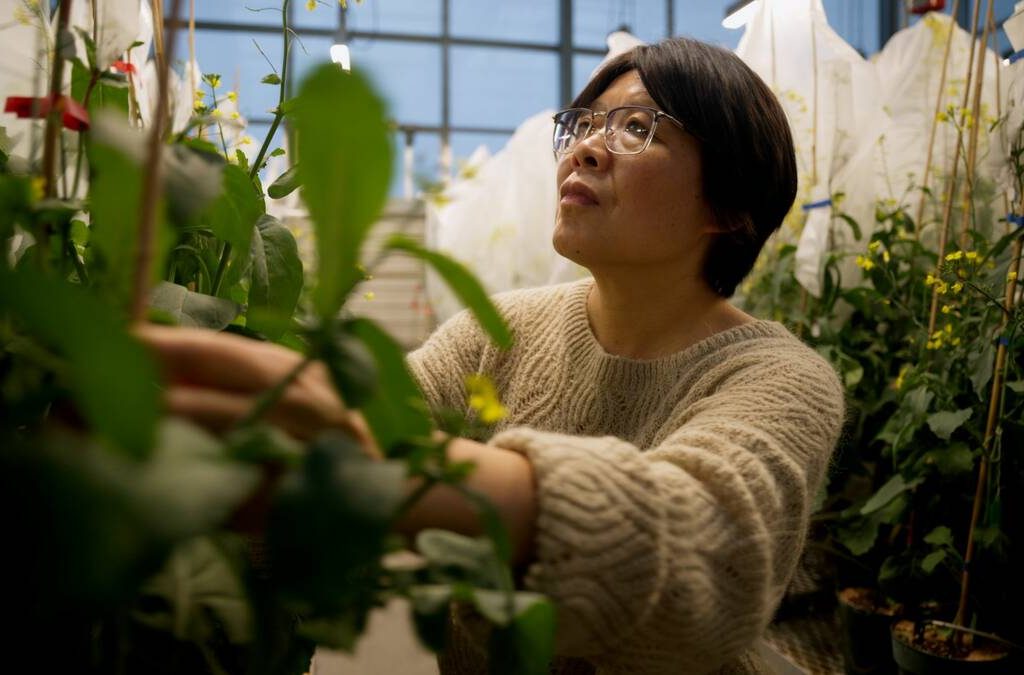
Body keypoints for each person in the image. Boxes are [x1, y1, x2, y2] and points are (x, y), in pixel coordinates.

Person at [141, 37, 845, 675]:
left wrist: (388, 468)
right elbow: (362, 430)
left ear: (727, 206)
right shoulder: (502, 329)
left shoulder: (781, 380)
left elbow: (702, 556)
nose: (587, 149)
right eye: (585, 123)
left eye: (637, 127)